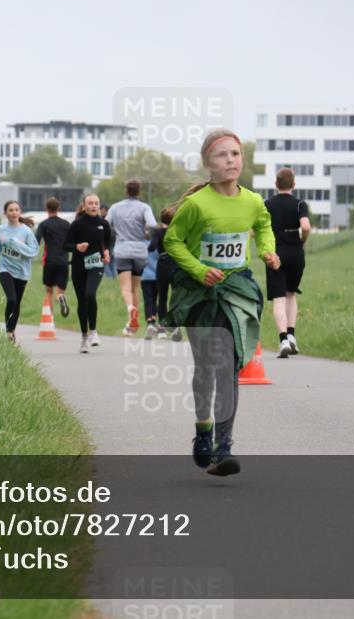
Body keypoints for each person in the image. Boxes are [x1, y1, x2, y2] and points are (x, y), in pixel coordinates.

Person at [163, 129, 279, 476]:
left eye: (235, 154)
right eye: (222, 156)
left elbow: (263, 225)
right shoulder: (197, 205)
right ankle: (203, 430)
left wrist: (267, 250)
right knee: (206, 370)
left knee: (228, 365)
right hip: (199, 292)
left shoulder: (254, 201)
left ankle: (223, 447)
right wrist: (200, 270)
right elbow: (173, 241)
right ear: (208, 165)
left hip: (236, 288)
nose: (231, 160)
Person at [264, 168, 312, 358]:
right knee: (291, 294)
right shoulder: (300, 203)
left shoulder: (267, 204)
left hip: (275, 254)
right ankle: (292, 336)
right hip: (296, 253)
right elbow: (306, 226)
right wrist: (302, 241)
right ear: (294, 184)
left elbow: (257, 228)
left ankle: (283, 339)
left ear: (276, 184)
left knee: (278, 298)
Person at [107, 181, 159, 335]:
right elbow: (152, 224)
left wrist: (115, 231)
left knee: (125, 288)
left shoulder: (115, 207)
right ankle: (132, 325)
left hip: (122, 249)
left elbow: (106, 223)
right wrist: (145, 234)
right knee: (134, 288)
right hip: (139, 250)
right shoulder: (144, 207)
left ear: (126, 190)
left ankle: (130, 310)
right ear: (139, 191)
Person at [64, 193, 112, 353]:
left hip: (96, 264)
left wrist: (106, 252)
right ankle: (84, 336)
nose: (93, 206)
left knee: (90, 294)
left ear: (99, 206)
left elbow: (108, 242)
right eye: (90, 203)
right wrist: (77, 247)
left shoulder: (104, 224)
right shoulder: (77, 224)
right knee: (81, 300)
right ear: (84, 206)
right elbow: (65, 245)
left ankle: (93, 331)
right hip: (79, 265)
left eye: (96, 203)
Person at [0, 201, 39, 342]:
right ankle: (9, 332)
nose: (14, 212)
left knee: (16, 302)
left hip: (22, 271)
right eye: (10, 210)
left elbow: (34, 251)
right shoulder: (1, 229)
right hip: (4, 267)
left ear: (20, 212)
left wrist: (17, 245)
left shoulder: (26, 231)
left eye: (16, 209)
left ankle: (12, 329)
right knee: (11, 298)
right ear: (5, 213)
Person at [153, 207, 183, 342]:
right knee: (176, 297)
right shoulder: (180, 231)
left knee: (162, 297)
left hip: (163, 264)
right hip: (177, 264)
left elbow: (151, 247)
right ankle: (176, 326)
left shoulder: (158, 232)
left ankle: (162, 328)